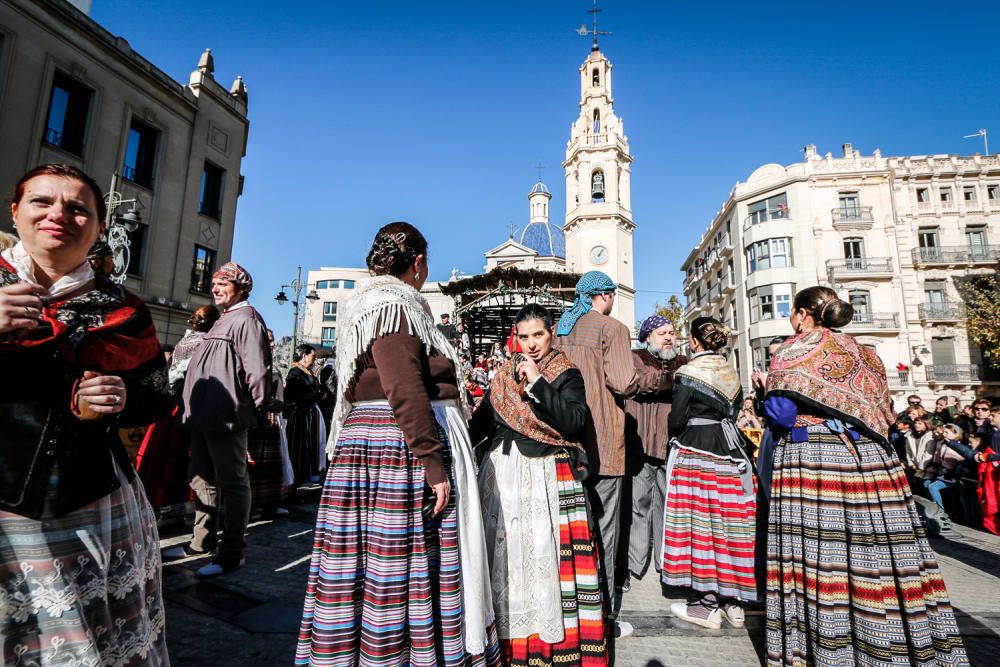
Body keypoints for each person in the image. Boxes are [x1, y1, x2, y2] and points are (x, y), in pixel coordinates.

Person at [296, 222, 499, 666]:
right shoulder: (395, 304)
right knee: (400, 564)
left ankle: (367, 649)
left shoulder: (371, 302)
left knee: (371, 567)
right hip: (395, 446)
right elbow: (403, 383)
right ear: (419, 263)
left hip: (375, 442)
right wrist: (432, 462)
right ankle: (398, 654)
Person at [0, 163, 172, 664]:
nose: (60, 214)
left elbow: (157, 395)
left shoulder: (123, 307)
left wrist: (121, 398)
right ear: (16, 211)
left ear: (97, 227)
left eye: (78, 209)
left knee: (81, 641)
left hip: (91, 503)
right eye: (43, 202)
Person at [763, 285, 967, 666]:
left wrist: (766, 390)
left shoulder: (794, 349)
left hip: (816, 462)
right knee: (886, 555)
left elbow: (781, 416)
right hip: (875, 463)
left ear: (804, 313)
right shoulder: (868, 355)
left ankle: (828, 648)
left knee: (826, 559)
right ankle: (902, 642)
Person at [470, 303, 607, 666]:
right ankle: (502, 642)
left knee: (541, 557)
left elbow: (574, 422)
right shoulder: (501, 377)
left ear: (551, 335)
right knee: (506, 559)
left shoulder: (565, 372)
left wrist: (538, 384)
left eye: (539, 335)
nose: (531, 345)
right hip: (502, 474)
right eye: (524, 336)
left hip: (546, 475)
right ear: (515, 338)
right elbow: (482, 423)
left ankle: (547, 645)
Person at [169, 261, 272, 578]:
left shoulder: (247, 319)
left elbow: (257, 370)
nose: (215, 288)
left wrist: (259, 407)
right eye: (214, 283)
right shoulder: (222, 320)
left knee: (233, 481)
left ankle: (231, 553)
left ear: (240, 288)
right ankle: (201, 542)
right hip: (201, 415)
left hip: (226, 415)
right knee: (200, 479)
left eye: (223, 283)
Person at [556, 270, 638, 639]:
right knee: (604, 532)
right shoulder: (612, 329)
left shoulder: (560, 329)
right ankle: (602, 616)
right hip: (602, 443)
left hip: (565, 445)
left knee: (570, 531)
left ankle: (567, 609)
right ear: (603, 296)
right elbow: (623, 381)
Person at [661, 317, 757, 630]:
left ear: (693, 341)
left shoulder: (688, 372)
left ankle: (706, 605)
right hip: (730, 454)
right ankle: (735, 603)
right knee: (731, 526)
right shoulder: (732, 373)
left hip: (696, 453)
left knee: (700, 528)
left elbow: (676, 419)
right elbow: (734, 412)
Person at [622, 315, 687, 591]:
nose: (669, 337)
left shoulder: (683, 362)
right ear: (647, 336)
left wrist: (670, 377)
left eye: (671, 332)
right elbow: (641, 381)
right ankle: (634, 564)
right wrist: (670, 378)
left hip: (672, 443)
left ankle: (665, 563)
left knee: (666, 504)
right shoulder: (635, 357)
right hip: (641, 443)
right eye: (662, 332)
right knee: (638, 503)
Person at [136, 304, 220, 512]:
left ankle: (159, 502)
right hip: (188, 403)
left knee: (163, 450)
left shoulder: (185, 340)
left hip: (173, 402)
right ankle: (185, 504)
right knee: (187, 455)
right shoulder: (204, 343)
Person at [248, 329, 291, 516]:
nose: (273, 344)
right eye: (270, 340)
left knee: (272, 463)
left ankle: (269, 504)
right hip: (258, 418)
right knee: (256, 463)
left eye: (273, 341)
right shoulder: (252, 363)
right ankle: (252, 505)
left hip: (272, 418)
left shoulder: (270, 364)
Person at [285, 344, 324, 486]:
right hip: (298, 415)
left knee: (309, 445)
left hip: (309, 414)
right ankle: (295, 479)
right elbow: (292, 395)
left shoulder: (309, 372)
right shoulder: (294, 373)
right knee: (298, 446)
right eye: (312, 356)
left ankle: (306, 475)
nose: (314, 359)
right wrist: (316, 395)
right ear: (304, 355)